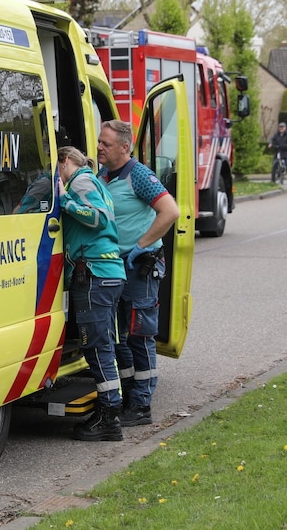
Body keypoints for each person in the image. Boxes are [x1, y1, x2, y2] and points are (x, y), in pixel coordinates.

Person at [96, 120, 180, 428]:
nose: (99, 147)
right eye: (99, 142)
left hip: (138, 265)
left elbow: (170, 211)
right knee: (118, 336)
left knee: (140, 335)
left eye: (105, 143)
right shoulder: (102, 176)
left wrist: (140, 245)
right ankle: (129, 394)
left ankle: (142, 405)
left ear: (124, 147)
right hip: (112, 266)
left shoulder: (139, 175)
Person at [56, 146, 127, 441]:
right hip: (106, 274)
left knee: (97, 348)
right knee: (104, 347)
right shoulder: (94, 180)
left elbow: (98, 218)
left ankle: (109, 419)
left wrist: (64, 202)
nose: (56, 175)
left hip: (95, 274)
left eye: (57, 168)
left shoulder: (81, 181)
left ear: (66, 162)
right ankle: (109, 411)